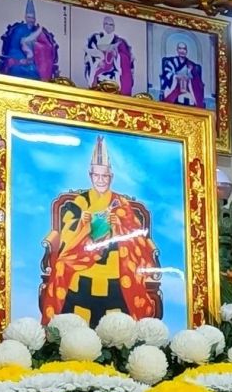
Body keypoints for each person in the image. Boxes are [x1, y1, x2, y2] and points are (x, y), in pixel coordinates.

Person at [40, 137, 161, 324]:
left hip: (115, 255)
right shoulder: (81, 201)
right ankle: (60, 324)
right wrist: (82, 223)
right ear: (90, 176)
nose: (101, 180)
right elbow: (67, 229)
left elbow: (137, 232)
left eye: (105, 176)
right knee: (63, 265)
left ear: (111, 177)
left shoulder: (121, 203)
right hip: (82, 253)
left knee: (130, 273)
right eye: (96, 176)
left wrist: (118, 224)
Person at [0, 0, 59, 81]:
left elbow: (45, 46)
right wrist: (22, 60)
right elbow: (14, 48)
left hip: (33, 62)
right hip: (19, 60)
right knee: (18, 71)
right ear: (25, 18)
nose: (31, 20)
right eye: (29, 17)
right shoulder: (19, 30)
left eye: (33, 18)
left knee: (36, 73)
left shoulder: (36, 30)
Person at [83, 16, 134, 92]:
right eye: (106, 24)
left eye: (111, 25)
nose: (108, 26)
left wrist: (116, 55)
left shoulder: (119, 41)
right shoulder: (95, 38)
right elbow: (89, 55)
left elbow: (126, 58)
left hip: (114, 74)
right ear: (103, 25)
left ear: (114, 27)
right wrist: (97, 62)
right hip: (97, 70)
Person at [158, 41, 206, 106]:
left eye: (184, 49)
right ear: (177, 50)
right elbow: (167, 74)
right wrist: (175, 77)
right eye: (180, 48)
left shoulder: (190, 64)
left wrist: (188, 77)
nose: (182, 51)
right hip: (174, 86)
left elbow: (195, 79)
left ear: (186, 51)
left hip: (187, 87)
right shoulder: (171, 61)